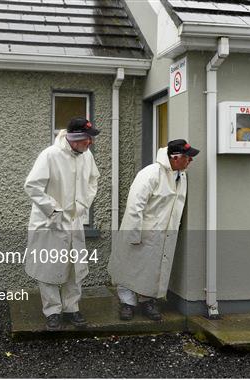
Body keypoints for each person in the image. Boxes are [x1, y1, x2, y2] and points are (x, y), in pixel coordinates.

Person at [108, 139, 199, 321]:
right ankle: (127, 303)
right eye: (188, 158)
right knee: (129, 267)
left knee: (153, 269)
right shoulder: (150, 174)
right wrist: (133, 234)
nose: (191, 161)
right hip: (142, 230)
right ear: (175, 158)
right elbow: (135, 205)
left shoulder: (180, 176)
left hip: (163, 234)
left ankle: (147, 301)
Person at [24, 117, 100, 331]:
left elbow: (94, 180)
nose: (90, 143)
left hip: (74, 221)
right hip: (49, 223)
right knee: (47, 268)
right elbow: (32, 186)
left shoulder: (87, 157)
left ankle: (71, 308)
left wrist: (84, 204)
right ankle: (52, 312)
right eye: (87, 139)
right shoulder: (50, 155)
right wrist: (54, 210)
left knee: (75, 267)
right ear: (75, 138)